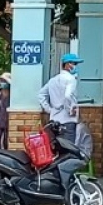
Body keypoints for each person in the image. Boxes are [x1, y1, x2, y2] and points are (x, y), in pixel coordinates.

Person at [39, 53, 84, 185]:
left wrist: (50, 109)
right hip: (67, 122)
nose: (75, 66)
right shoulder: (71, 79)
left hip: (54, 122)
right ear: (67, 65)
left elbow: (41, 95)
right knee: (69, 154)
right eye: (74, 64)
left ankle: (55, 180)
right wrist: (70, 108)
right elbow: (68, 95)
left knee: (57, 153)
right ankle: (66, 182)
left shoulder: (53, 80)